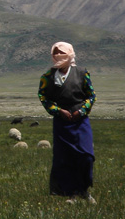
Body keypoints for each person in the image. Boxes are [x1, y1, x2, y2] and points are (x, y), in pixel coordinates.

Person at [38, 41, 97, 204]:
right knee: (65, 158)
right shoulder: (47, 77)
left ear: (70, 53)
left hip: (80, 120)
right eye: (55, 53)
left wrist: (82, 111)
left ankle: (84, 190)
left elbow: (91, 96)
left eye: (62, 53)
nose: (58, 56)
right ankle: (71, 194)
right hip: (61, 122)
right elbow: (43, 97)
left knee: (86, 156)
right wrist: (58, 111)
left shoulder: (82, 73)